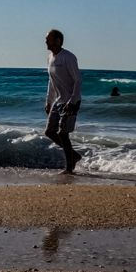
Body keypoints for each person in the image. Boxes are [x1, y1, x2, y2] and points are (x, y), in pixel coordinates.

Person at [44, 28, 83, 174]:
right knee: (49, 131)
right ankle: (74, 156)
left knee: (63, 133)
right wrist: (48, 101)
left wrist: (72, 101)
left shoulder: (68, 57)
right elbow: (51, 81)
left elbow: (78, 80)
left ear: (58, 41)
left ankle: (69, 168)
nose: (46, 42)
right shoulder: (50, 58)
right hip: (58, 101)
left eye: (49, 39)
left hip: (71, 101)